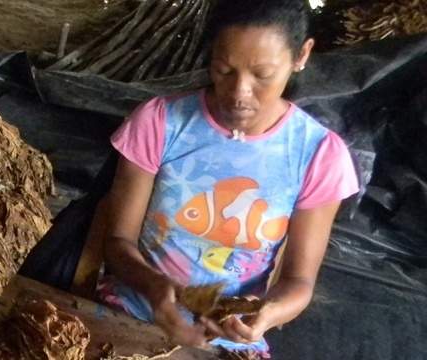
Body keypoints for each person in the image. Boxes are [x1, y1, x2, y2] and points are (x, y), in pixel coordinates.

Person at [97, 0, 359, 357]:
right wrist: (156, 288)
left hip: (230, 340)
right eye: (224, 70)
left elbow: (298, 283)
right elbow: (117, 242)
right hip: (133, 312)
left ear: (301, 55)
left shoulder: (319, 155)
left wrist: (266, 312)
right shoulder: (160, 122)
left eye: (262, 75)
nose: (239, 93)